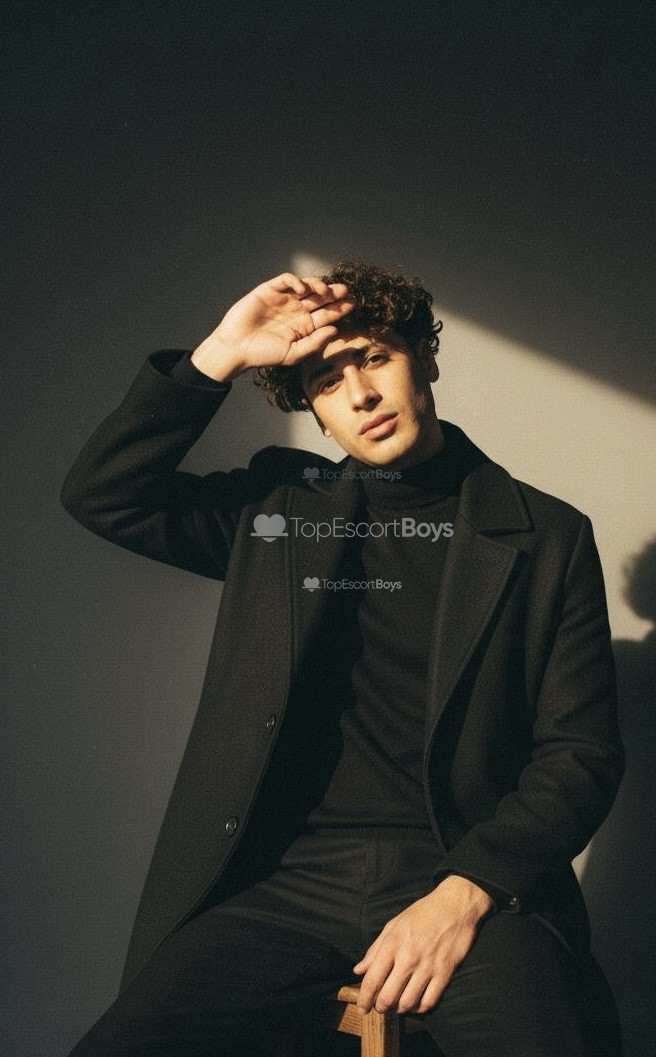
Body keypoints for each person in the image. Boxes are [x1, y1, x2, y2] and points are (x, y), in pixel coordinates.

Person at [61, 261, 624, 1056]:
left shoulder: (548, 536)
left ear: (424, 359)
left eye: (374, 358)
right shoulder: (276, 512)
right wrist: (219, 353)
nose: (359, 394)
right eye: (326, 382)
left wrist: (463, 893)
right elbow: (103, 494)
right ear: (317, 418)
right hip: (284, 883)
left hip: (463, 871)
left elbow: (580, 752)